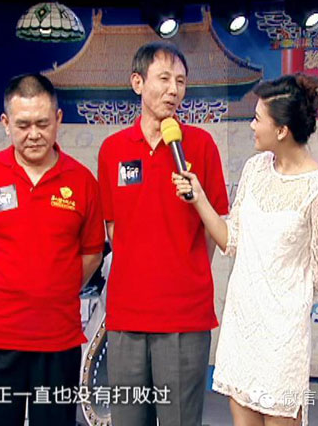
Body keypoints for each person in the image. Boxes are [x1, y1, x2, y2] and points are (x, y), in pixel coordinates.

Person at [172, 73, 318, 426]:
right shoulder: (254, 169)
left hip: (282, 338)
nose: (251, 125)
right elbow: (231, 239)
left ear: (282, 130)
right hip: (243, 327)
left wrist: (283, 295)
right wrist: (199, 197)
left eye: (257, 118)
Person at [0, 73, 105, 426]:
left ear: (58, 119)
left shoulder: (82, 182)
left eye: (42, 123)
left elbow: (91, 255)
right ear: (6, 123)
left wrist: (53, 290)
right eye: (22, 125)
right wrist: (2, 287)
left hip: (58, 343)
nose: (33, 134)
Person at [97, 41, 229, 426]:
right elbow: (112, 227)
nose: (174, 90)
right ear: (137, 83)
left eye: (181, 82)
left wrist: (184, 271)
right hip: (127, 315)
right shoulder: (112, 150)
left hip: (184, 317)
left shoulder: (200, 145)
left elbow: (214, 227)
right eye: (164, 79)